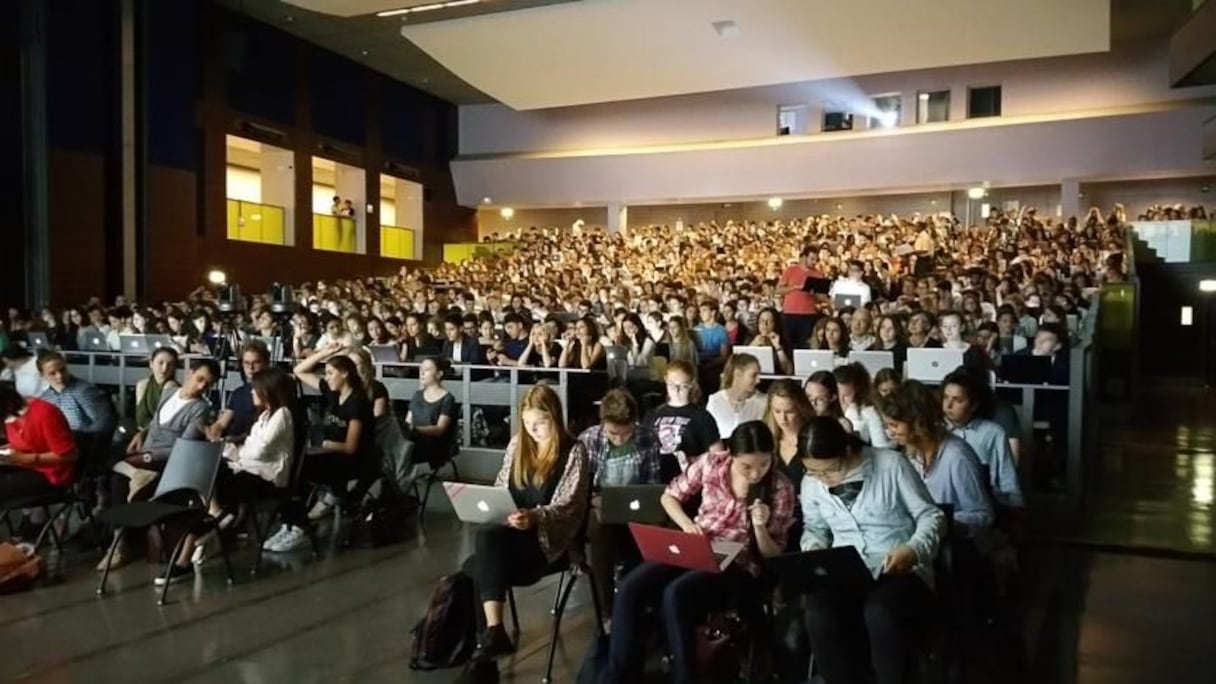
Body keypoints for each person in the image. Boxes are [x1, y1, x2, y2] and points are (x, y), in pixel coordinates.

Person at [606, 421, 795, 684]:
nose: (755, 474)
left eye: (763, 464)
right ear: (731, 455)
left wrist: (760, 527)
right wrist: (686, 525)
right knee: (630, 586)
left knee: (676, 593)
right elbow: (669, 496)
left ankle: (684, 677)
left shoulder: (780, 487)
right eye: (746, 467)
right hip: (697, 545)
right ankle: (618, 676)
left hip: (738, 564)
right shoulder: (712, 464)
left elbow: (773, 555)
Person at [457, 385, 590, 682]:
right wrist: (499, 508)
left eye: (540, 423)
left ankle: (486, 654)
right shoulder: (518, 444)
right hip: (512, 536)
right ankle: (491, 637)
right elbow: (502, 486)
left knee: (476, 567)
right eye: (528, 423)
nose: (533, 430)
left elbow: (570, 506)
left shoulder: (573, 451)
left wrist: (535, 517)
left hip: (548, 542)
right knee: (486, 542)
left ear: (554, 418)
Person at [798, 416, 945, 684]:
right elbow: (814, 529)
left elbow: (931, 516)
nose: (822, 480)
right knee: (818, 612)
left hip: (898, 566)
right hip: (846, 569)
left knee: (881, 612)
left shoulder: (891, 465)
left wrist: (912, 550)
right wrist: (815, 550)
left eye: (829, 470)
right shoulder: (812, 482)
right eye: (813, 472)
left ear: (847, 450)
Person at [169, 368, 300, 579]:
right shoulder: (264, 416)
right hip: (248, 470)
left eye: (256, 390)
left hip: (267, 478)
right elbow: (248, 452)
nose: (252, 393)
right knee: (202, 476)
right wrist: (229, 449)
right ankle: (211, 523)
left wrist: (231, 450)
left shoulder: (282, 414)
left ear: (268, 391)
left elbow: (258, 451)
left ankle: (213, 524)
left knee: (209, 477)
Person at [99, 359, 220, 571]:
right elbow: (155, 423)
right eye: (200, 379)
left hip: (165, 460)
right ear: (189, 374)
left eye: (207, 385)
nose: (202, 387)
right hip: (146, 450)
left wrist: (146, 457)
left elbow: (184, 447)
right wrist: (142, 434)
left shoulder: (200, 408)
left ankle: (119, 542)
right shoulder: (169, 392)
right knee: (103, 454)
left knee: (117, 478)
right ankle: (134, 475)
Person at [579, 388, 662, 614]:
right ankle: (606, 609)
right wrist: (595, 501)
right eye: (614, 433)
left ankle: (644, 601)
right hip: (598, 507)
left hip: (636, 507)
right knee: (600, 530)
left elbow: (652, 485)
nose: (620, 438)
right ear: (603, 422)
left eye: (626, 433)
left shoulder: (647, 438)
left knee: (654, 532)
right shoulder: (588, 440)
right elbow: (578, 491)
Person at [878, 381, 993, 536]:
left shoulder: (957, 456)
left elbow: (983, 516)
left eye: (895, 425)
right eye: (887, 426)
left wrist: (940, 522)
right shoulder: (913, 455)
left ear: (917, 423)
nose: (890, 433)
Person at [293, 345, 377, 521]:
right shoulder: (333, 394)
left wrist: (327, 444)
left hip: (353, 460)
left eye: (331, 373)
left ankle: (301, 520)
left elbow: (351, 447)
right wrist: (325, 353)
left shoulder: (357, 403)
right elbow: (299, 370)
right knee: (295, 466)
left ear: (345, 374)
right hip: (332, 454)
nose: (327, 377)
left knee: (300, 469)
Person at [941, 369, 1023, 508]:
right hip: (944, 505)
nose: (948, 406)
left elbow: (1007, 478)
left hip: (984, 505)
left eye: (957, 400)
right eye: (945, 398)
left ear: (974, 405)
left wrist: (1016, 511)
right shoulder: (935, 430)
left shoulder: (992, 432)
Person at [0, 382, 78, 506]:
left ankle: (35, 520)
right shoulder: (12, 415)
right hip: (26, 466)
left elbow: (70, 455)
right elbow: (26, 443)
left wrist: (25, 458)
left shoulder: (45, 413)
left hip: (52, 475)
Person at [645, 360, 720, 478]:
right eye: (672, 385)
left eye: (683, 386)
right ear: (665, 381)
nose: (676, 390)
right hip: (657, 478)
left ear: (691, 384)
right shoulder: (653, 414)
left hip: (689, 479)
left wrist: (695, 462)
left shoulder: (702, 416)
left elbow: (717, 455)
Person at [763, 379, 815, 550]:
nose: (782, 419)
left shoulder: (813, 438)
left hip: (807, 517)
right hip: (771, 515)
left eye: (789, 411)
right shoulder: (766, 439)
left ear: (800, 407)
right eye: (777, 411)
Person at [37, 351, 116, 439]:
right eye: (52, 373)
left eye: (62, 370)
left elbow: (103, 422)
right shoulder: (45, 399)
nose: (60, 376)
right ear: (42, 375)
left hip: (84, 442)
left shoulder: (83, 390)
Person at [205, 340, 270, 442]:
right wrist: (214, 430)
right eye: (246, 363)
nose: (250, 368)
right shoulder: (238, 392)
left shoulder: (272, 391)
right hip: (229, 444)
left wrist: (235, 439)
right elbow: (222, 423)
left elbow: (264, 430)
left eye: (256, 362)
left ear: (266, 363)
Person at [404, 357, 458, 467]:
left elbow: (440, 429)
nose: (422, 372)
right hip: (414, 440)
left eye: (427, 369)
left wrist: (415, 429)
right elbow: (408, 421)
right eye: (421, 369)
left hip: (434, 445)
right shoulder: (417, 395)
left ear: (439, 374)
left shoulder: (448, 399)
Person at [705, 353, 766, 438]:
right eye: (753, 375)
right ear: (738, 374)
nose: (758, 380)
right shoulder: (715, 400)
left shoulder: (764, 402)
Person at [834, 362, 893, 448]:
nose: (840, 400)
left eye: (846, 395)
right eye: (837, 393)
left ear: (857, 391)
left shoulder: (869, 413)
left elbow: (881, 447)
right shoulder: (827, 409)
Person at [776, 246, 825, 349]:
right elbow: (778, 290)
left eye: (816, 259)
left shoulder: (818, 274)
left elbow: (822, 297)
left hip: (808, 314)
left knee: (805, 345)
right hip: (789, 313)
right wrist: (795, 287)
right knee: (788, 344)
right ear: (804, 257)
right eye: (812, 259)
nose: (814, 262)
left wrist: (814, 293)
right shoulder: (790, 270)